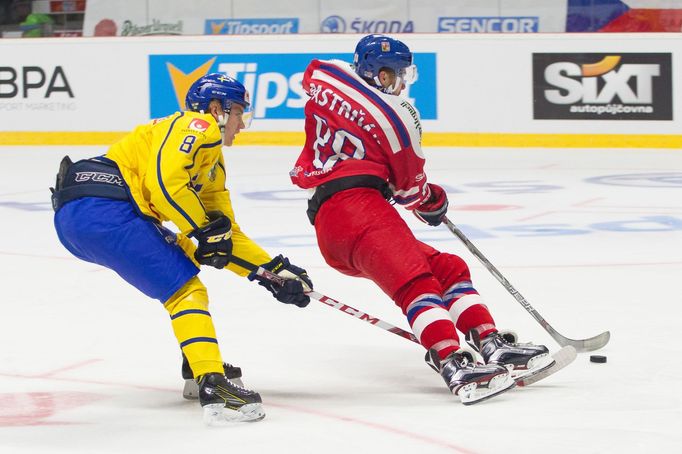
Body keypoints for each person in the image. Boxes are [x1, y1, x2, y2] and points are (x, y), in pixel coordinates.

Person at [290, 34, 554, 404]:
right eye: (398, 74)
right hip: (358, 207)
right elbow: (411, 190)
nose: (402, 83)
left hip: (330, 223)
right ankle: (453, 362)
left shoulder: (326, 75)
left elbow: (313, 76)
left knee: (448, 267)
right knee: (417, 281)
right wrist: (434, 201)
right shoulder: (400, 115)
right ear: (381, 76)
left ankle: (490, 343)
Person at [51, 73, 312, 424]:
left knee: (187, 256)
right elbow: (165, 184)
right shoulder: (198, 126)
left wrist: (272, 271)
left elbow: (224, 234)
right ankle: (212, 382)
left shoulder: (210, 162)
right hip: (105, 209)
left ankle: (197, 361)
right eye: (238, 113)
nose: (241, 124)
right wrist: (203, 229)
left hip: (87, 213)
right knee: (185, 290)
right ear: (217, 109)